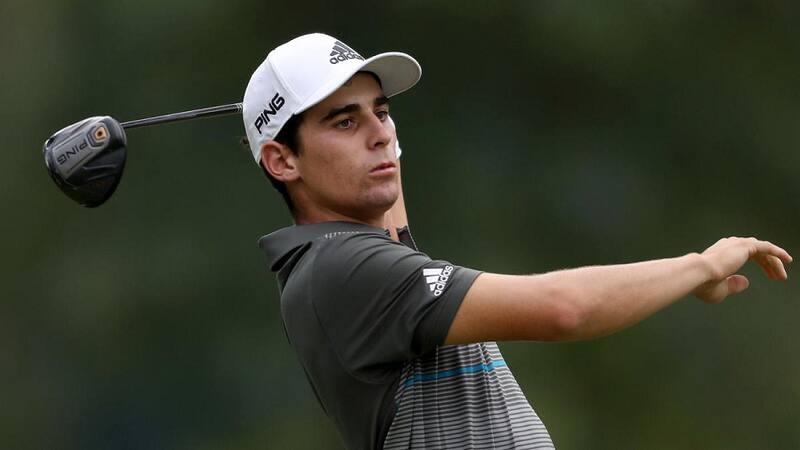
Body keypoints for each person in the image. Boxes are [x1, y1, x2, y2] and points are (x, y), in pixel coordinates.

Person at [241, 33, 792, 450]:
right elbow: (563, 310)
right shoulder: (344, 269)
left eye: (382, 112)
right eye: (343, 122)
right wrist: (701, 265)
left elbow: (386, 195)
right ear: (282, 160)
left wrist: (359, 117)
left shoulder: (362, 254)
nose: (381, 133)